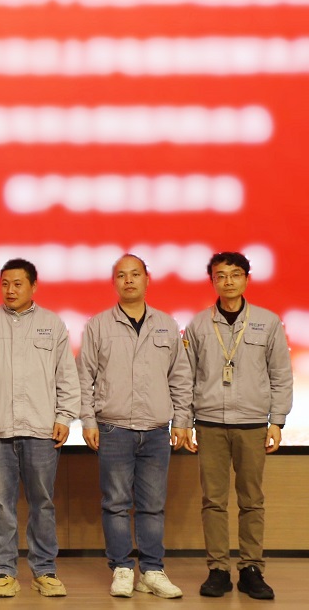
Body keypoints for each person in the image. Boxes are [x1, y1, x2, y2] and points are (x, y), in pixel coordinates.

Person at [77, 254, 194, 599]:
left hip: (157, 430)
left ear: (147, 279)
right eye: (121, 275)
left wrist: (182, 420)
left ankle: (153, 571)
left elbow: (180, 376)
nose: (128, 280)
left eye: (135, 274)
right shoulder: (98, 325)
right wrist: (87, 420)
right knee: (115, 503)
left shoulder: (167, 324)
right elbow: (84, 377)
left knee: (152, 505)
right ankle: (122, 569)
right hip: (113, 428)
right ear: (114, 282)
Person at [0, 258, 78, 598]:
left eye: (17, 284)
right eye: (5, 284)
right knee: (2, 504)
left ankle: (44, 571)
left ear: (33, 286)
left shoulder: (52, 324)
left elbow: (66, 374)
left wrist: (65, 416)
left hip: (42, 431)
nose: (10, 290)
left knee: (43, 503)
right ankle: (3, 571)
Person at [184, 252, 293, 600]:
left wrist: (277, 420)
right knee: (213, 501)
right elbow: (185, 377)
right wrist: (184, 422)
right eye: (220, 275)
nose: (228, 281)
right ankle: (218, 569)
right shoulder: (199, 325)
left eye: (235, 274)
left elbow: (281, 374)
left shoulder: (268, 322)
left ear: (247, 278)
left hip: (253, 423)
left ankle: (251, 569)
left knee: (251, 500)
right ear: (212, 281)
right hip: (210, 423)